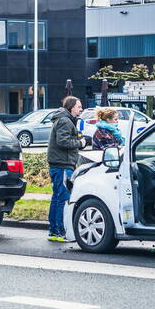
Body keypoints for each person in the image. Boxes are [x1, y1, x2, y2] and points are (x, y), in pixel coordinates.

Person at [46, 96, 85, 242]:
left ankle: (54, 231)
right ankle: (60, 231)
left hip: (59, 164)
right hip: (62, 164)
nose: (81, 109)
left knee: (57, 198)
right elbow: (62, 141)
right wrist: (79, 143)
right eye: (79, 106)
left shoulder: (64, 119)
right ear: (71, 107)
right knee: (63, 198)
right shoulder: (65, 120)